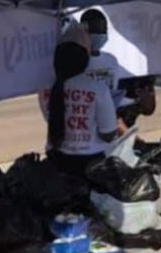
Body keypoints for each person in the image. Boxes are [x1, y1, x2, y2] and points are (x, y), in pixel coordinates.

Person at [39, 23, 119, 177]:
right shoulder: (97, 87)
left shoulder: (45, 87)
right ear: (84, 58)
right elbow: (108, 134)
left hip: (56, 163)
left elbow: (50, 118)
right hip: (90, 166)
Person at [80, 8, 125, 103]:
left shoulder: (111, 60)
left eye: (104, 30)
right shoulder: (76, 62)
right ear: (83, 30)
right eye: (96, 30)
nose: (101, 34)